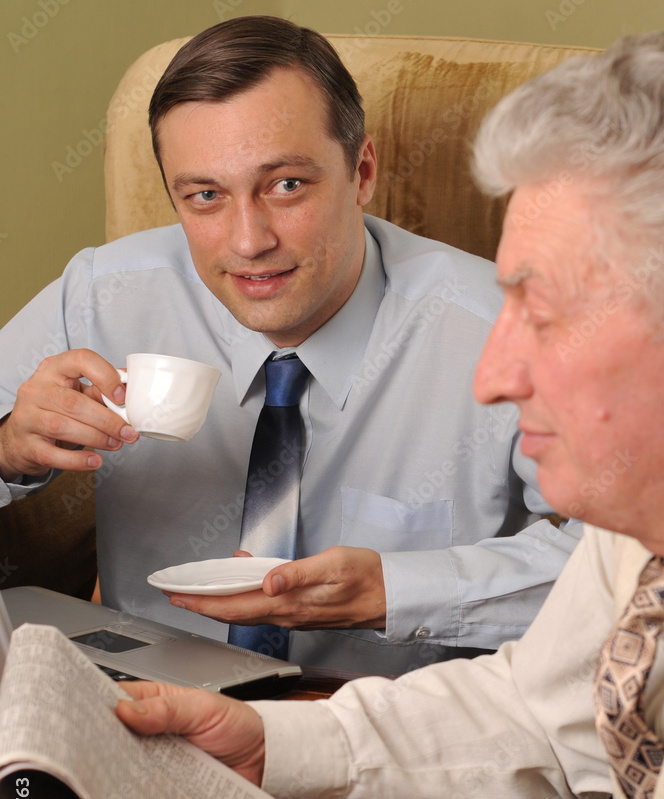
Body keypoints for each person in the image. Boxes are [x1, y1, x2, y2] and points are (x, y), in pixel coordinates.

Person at [60, 30, 664, 799]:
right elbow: (540, 713)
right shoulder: (634, 541)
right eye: (204, 193)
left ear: (361, 171)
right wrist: (275, 748)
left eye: (541, 314)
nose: (491, 375)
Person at [0, 17, 579, 675]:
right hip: (143, 706)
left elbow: (627, 568)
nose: (248, 241)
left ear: (361, 172)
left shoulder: (505, 330)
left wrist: (392, 590)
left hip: (379, 733)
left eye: (286, 185)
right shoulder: (103, 293)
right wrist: (9, 448)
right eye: (206, 196)